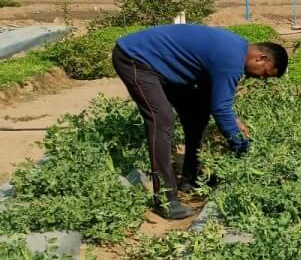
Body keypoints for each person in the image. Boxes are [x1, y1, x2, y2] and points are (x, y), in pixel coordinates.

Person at [111, 23, 288, 220]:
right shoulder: (231, 61)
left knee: (197, 113)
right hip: (136, 58)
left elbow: (213, 101)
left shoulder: (236, 50)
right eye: (264, 73)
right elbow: (220, 108)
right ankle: (165, 201)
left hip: (162, 64)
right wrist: (241, 146)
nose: (260, 78)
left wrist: (233, 120)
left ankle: (190, 179)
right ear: (261, 58)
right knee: (161, 120)